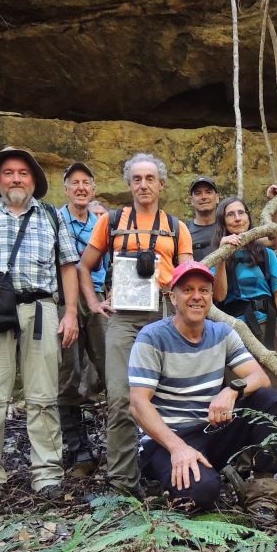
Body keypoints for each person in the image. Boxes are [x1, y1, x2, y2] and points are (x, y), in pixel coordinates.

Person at [0, 147, 81, 507]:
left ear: (34, 180)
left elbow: (68, 265)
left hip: (40, 309)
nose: (16, 179)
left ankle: (47, 474)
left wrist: (70, 313)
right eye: (8, 173)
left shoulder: (51, 217)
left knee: (42, 396)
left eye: (23, 173)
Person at [129, 261, 277, 521]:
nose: (197, 297)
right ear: (173, 297)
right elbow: (138, 404)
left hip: (211, 428)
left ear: (212, 297)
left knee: (268, 400)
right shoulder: (152, 337)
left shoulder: (221, 333)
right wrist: (178, 448)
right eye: (188, 290)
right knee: (202, 493)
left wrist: (232, 391)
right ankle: (169, 482)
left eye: (204, 290)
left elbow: (259, 377)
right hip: (167, 440)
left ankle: (263, 494)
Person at [77, 153, 193, 498]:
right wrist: (95, 302)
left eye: (150, 178)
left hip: (163, 313)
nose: (144, 185)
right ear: (129, 184)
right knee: (120, 397)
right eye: (137, 179)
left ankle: (168, 471)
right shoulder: (111, 221)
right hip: (124, 317)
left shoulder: (176, 227)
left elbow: (187, 276)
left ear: (161, 184)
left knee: (168, 396)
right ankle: (122, 481)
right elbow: (84, 266)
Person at [57, 162, 108, 476]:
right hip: (64, 301)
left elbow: (115, 258)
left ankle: (120, 447)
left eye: (86, 182)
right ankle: (79, 451)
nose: (80, 188)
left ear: (93, 188)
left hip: (100, 298)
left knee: (111, 369)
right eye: (74, 182)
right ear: (66, 188)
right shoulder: (53, 219)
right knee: (67, 373)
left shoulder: (103, 220)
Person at [212, 195, 277, 361]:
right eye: (230, 214)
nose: (237, 218)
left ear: (248, 217)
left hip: (268, 325)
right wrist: (221, 256)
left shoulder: (266, 254)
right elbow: (219, 296)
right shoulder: (216, 258)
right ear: (223, 221)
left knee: (276, 382)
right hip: (235, 330)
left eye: (241, 213)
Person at [187, 175, 221, 261]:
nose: (204, 197)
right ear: (191, 200)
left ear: (217, 198)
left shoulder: (227, 226)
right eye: (198, 193)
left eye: (208, 192)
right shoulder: (184, 231)